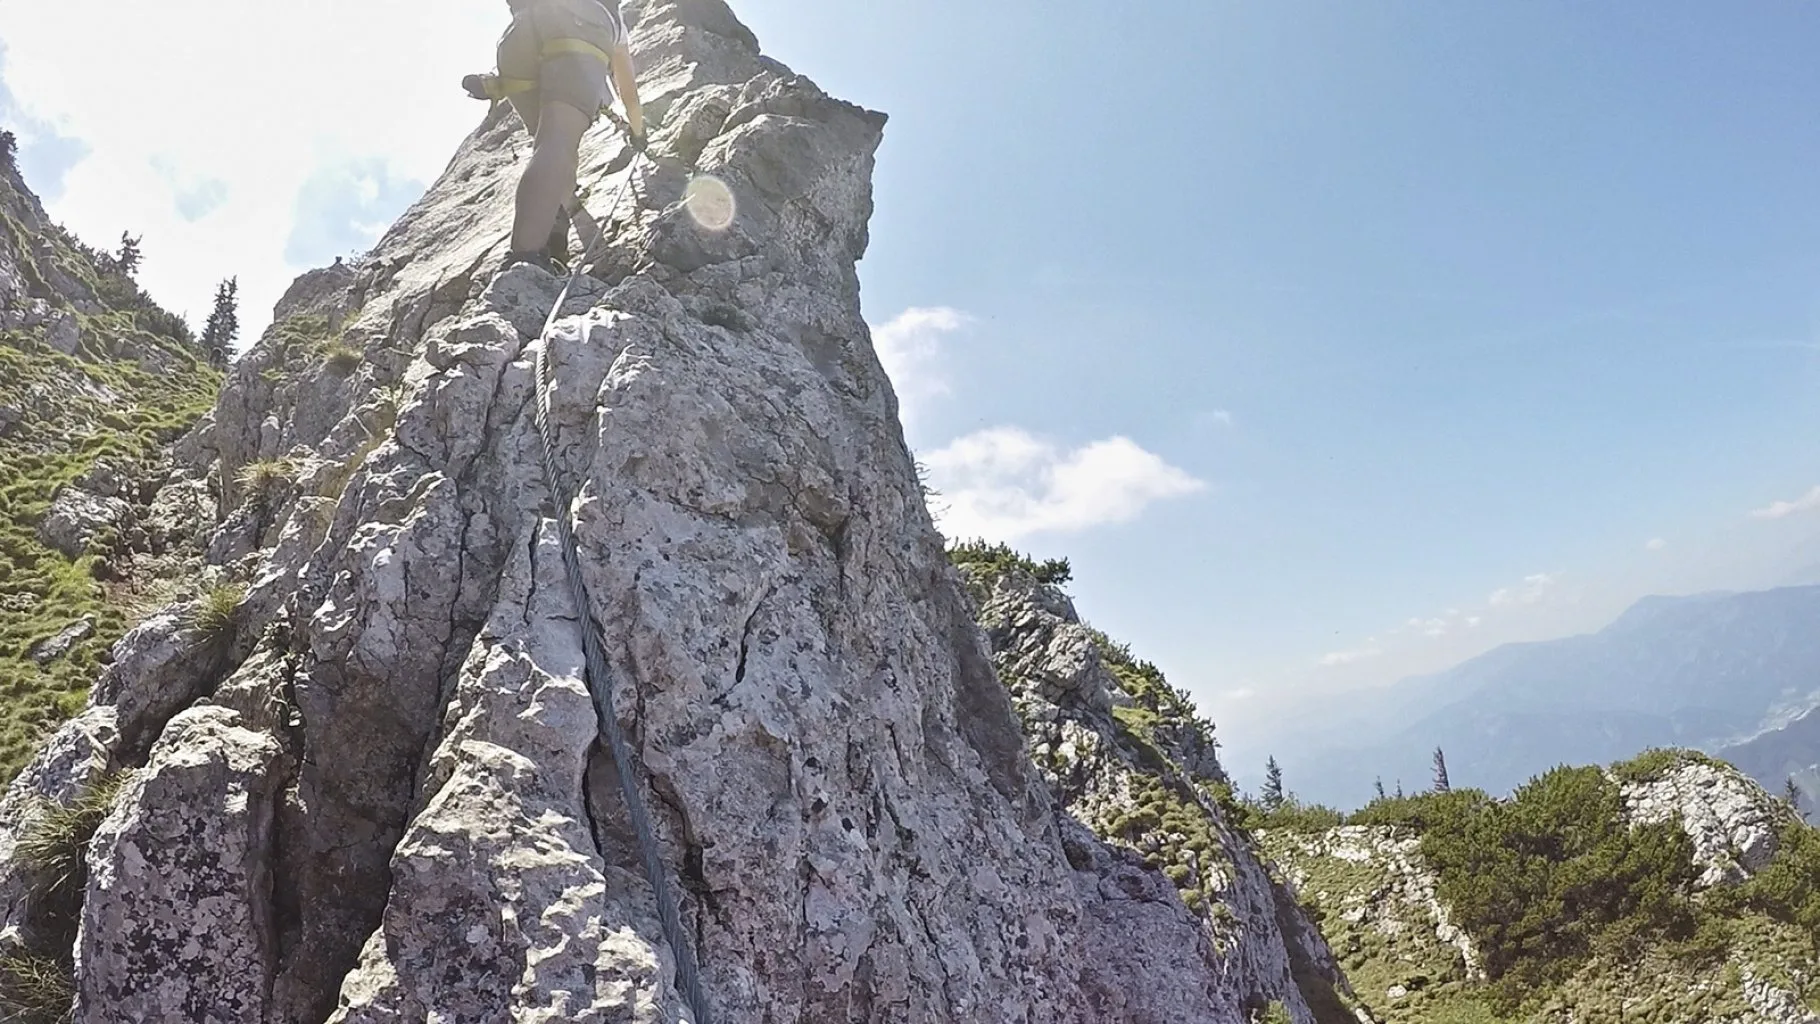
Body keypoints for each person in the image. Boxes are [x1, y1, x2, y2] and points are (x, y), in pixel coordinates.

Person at [477, 0, 647, 274]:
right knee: (558, 140)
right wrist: (639, 132)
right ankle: (525, 260)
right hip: (579, 28)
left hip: (517, 39)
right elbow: (628, 92)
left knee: (550, 148)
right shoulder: (611, 17)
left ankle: (551, 242)